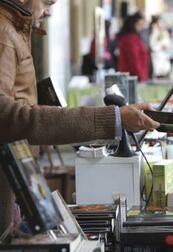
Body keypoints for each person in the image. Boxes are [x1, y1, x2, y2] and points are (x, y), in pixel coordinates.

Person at [0, 0, 159, 236]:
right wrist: (111, 118)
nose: (50, 11)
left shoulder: (13, 28)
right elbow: (7, 116)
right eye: (47, 2)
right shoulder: (4, 32)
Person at [117, 12, 149, 82]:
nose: (141, 27)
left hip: (134, 77)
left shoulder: (132, 38)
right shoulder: (130, 40)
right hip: (134, 79)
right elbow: (134, 60)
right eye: (139, 24)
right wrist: (140, 77)